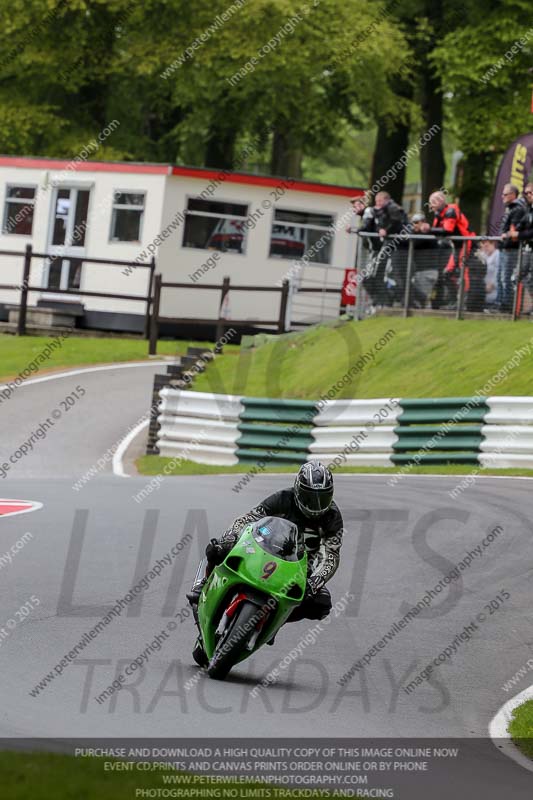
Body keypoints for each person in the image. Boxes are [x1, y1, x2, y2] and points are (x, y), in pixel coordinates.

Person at [187, 462, 344, 659]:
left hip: (299, 567)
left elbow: (332, 554)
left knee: (322, 604)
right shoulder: (283, 498)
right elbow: (248, 518)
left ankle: (277, 621)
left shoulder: (333, 517)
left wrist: (316, 581)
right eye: (309, 497)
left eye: (323, 498)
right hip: (264, 550)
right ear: (298, 490)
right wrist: (231, 536)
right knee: (218, 548)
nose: (316, 506)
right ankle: (203, 584)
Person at [420, 191, 475, 309]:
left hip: (466, 242)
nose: (431, 206)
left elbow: (447, 230)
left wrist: (429, 229)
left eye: (432, 203)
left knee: (462, 271)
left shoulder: (451, 211)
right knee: (447, 273)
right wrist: (428, 229)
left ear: (440, 201)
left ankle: (463, 303)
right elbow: (437, 232)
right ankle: (454, 301)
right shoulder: (438, 213)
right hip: (457, 246)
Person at [499, 183, 527, 313]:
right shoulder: (511, 208)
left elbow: (514, 231)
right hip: (505, 248)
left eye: (505, 194)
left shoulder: (517, 209)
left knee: (506, 278)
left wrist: (507, 236)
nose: (502, 197)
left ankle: (507, 308)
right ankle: (502, 305)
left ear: (513, 195)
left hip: (510, 249)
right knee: (501, 277)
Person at [409, 212, 439, 308]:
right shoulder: (425, 232)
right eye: (414, 223)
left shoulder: (425, 233)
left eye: (416, 222)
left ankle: (425, 316)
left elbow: (415, 243)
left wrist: (415, 232)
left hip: (426, 272)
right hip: (429, 271)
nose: (414, 225)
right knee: (423, 297)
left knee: (424, 298)